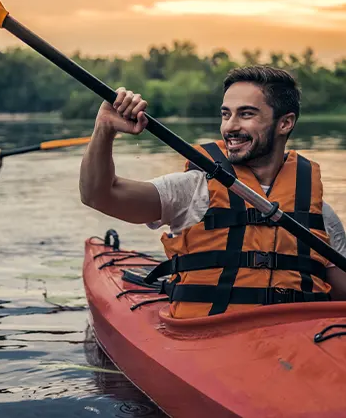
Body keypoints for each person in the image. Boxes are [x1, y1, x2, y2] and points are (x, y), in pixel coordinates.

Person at [79, 65, 346, 319]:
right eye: (226, 114)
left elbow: (341, 294)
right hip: (210, 334)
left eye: (246, 114)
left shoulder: (318, 212)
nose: (230, 126)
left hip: (295, 339)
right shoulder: (194, 189)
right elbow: (98, 195)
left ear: (285, 123)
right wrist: (104, 128)